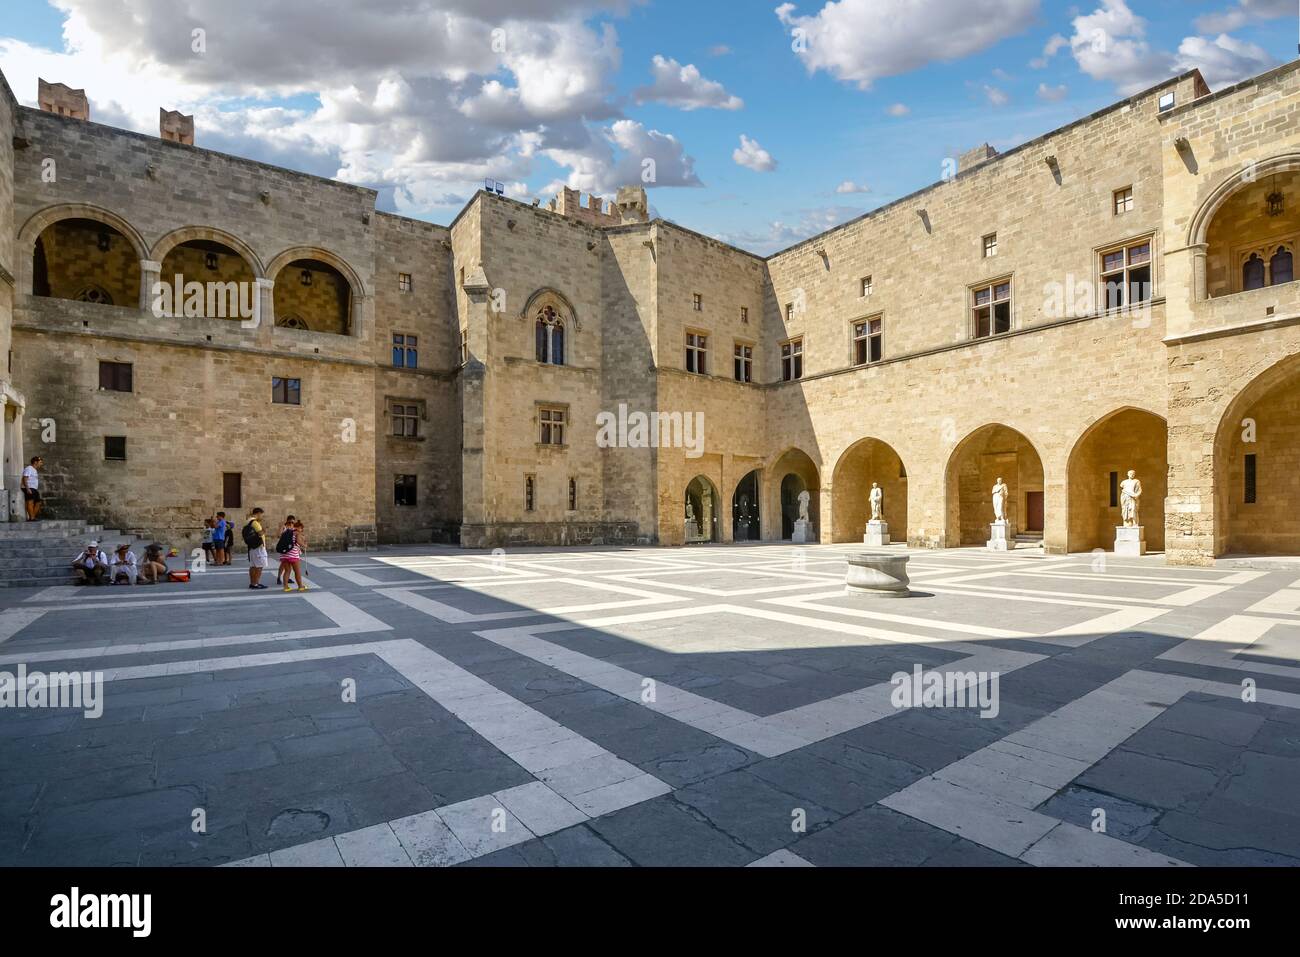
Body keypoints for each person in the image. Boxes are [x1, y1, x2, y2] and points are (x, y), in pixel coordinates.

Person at [277, 516, 307, 592]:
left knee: (287, 571)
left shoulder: (285, 532)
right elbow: (299, 542)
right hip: (293, 555)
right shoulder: (296, 532)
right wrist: (305, 545)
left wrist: (281, 526)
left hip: (284, 555)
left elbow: (278, 536)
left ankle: (286, 587)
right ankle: (300, 586)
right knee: (297, 571)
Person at [244, 507, 268, 590]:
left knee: (253, 566)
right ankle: (256, 583)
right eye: (261, 515)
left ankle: (252, 583)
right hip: (258, 547)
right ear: (258, 513)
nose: (262, 517)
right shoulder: (255, 523)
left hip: (252, 547)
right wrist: (264, 530)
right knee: (259, 566)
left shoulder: (248, 521)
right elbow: (260, 533)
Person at [275, 516, 296, 587]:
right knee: (283, 565)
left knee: (289, 566)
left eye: (293, 522)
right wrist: (281, 526)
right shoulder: (284, 528)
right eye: (289, 522)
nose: (291, 523)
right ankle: (279, 577)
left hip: (291, 550)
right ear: (287, 521)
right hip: (284, 549)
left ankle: (287, 578)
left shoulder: (294, 529)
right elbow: (278, 535)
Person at [21, 456, 43, 522]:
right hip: (29, 488)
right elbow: (25, 478)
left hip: (34, 488)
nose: (41, 464)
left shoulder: (34, 470)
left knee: (38, 502)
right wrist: (27, 489)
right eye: (40, 462)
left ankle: (32, 517)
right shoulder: (29, 468)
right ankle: (32, 518)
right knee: (30, 502)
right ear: (35, 462)